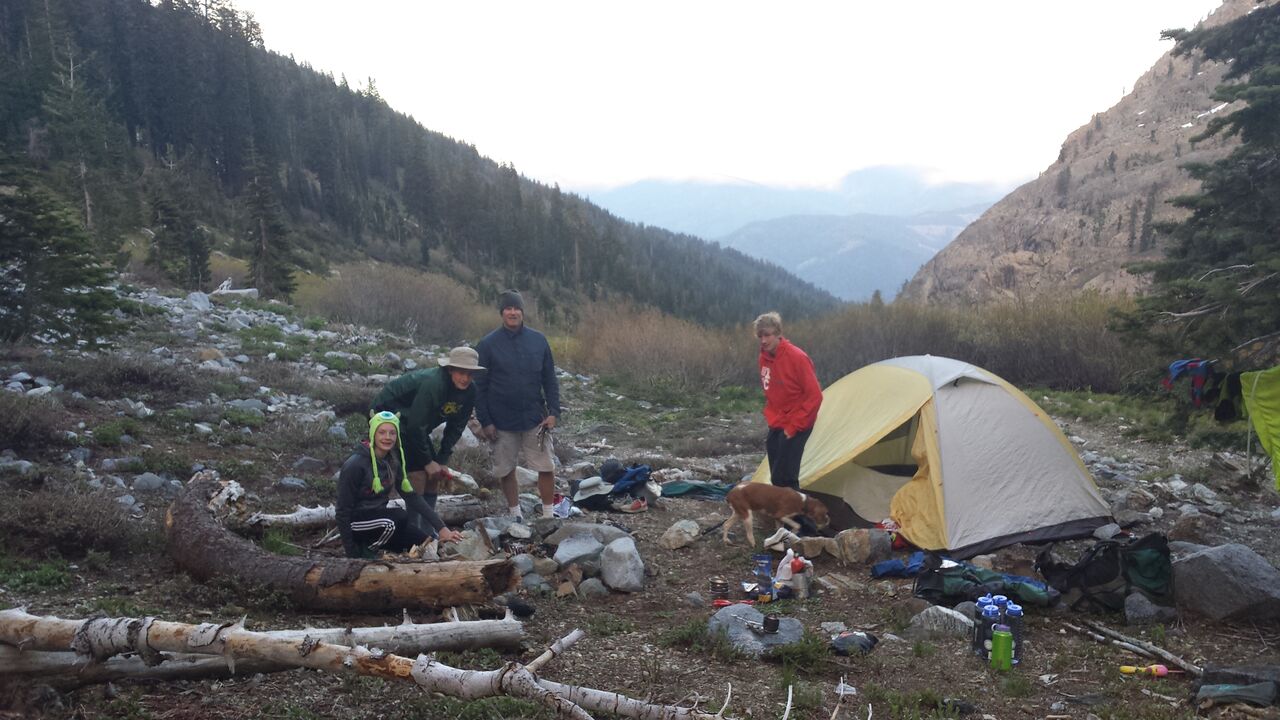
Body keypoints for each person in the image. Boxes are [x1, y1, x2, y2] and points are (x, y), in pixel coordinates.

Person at [371, 346, 483, 531]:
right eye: (461, 372)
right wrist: (427, 461)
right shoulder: (434, 383)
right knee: (417, 470)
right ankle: (415, 528)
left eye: (470, 374)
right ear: (450, 369)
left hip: (415, 423)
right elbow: (415, 426)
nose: (465, 378)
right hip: (390, 416)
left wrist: (441, 460)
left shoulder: (470, 391)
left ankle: (428, 525)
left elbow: (456, 426)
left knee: (434, 474)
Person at [475, 289, 560, 519]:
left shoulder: (538, 340)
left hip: (535, 417)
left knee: (545, 466)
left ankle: (548, 514)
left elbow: (549, 379)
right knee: (506, 468)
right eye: (508, 309)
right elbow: (479, 387)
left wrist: (553, 411)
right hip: (500, 420)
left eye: (516, 308)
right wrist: (485, 421)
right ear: (502, 313)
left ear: (522, 312)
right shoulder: (487, 344)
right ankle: (515, 514)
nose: (512, 312)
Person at [336, 412, 460, 558]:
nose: (387, 437)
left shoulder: (392, 461)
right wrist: (351, 552)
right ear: (373, 433)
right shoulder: (355, 464)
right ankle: (366, 551)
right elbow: (342, 511)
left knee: (426, 543)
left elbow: (412, 497)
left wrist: (441, 528)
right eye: (382, 432)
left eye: (392, 433)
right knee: (397, 518)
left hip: (379, 522)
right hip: (357, 524)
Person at [755, 311, 822, 490]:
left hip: (798, 421)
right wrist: (773, 417)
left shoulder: (797, 357)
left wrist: (794, 426)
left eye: (767, 335)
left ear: (778, 334)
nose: (763, 340)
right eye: (760, 336)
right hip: (778, 421)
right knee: (776, 475)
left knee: (786, 476)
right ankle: (784, 514)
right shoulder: (764, 358)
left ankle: (799, 517)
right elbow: (772, 391)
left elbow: (815, 396)